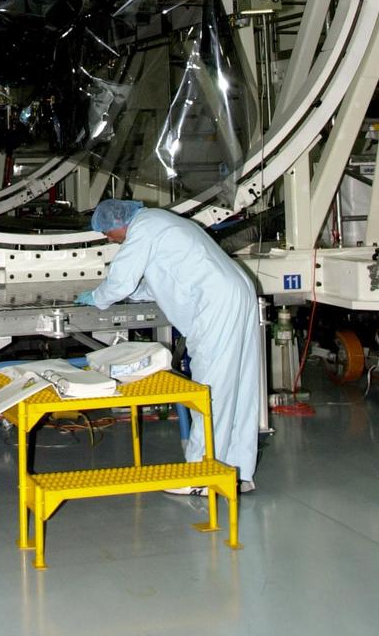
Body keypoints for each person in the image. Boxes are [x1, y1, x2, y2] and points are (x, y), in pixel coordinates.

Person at [75, 198, 260, 493]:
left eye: (108, 233)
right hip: (234, 292)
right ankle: (237, 472)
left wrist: (98, 298)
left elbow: (121, 280)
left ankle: (201, 476)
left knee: (210, 388)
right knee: (239, 385)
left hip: (216, 303)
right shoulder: (158, 221)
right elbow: (161, 277)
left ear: (118, 223)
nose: (108, 239)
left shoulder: (143, 229)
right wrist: (126, 294)